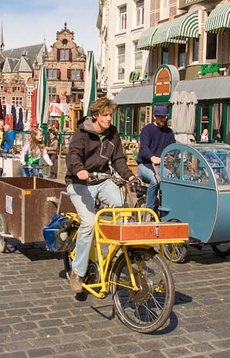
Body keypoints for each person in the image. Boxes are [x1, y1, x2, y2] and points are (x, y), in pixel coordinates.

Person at [65, 97, 137, 293]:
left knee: (125, 207)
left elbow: (119, 160)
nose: (109, 119)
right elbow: (73, 155)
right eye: (105, 115)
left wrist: (130, 176)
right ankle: (77, 273)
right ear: (96, 115)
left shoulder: (113, 134)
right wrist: (79, 170)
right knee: (89, 222)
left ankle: (120, 255)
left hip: (102, 181)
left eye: (111, 115)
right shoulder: (82, 133)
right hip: (79, 182)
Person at [136, 105, 176, 213]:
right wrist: (152, 157)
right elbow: (144, 148)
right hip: (144, 165)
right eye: (159, 117)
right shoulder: (147, 130)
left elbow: (173, 149)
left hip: (161, 166)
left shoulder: (169, 132)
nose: (162, 119)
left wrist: (175, 155)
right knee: (155, 181)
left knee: (173, 180)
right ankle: (149, 210)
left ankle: (168, 207)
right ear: (154, 116)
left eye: (163, 117)